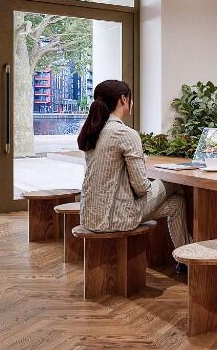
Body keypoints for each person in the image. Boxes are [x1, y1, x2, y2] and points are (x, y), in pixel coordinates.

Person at [77, 79, 193, 276]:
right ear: (123, 99)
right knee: (173, 181)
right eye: (130, 99)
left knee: (177, 203)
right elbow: (141, 187)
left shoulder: (94, 131)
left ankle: (185, 261)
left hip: (90, 215)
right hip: (116, 218)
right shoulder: (124, 133)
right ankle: (193, 257)